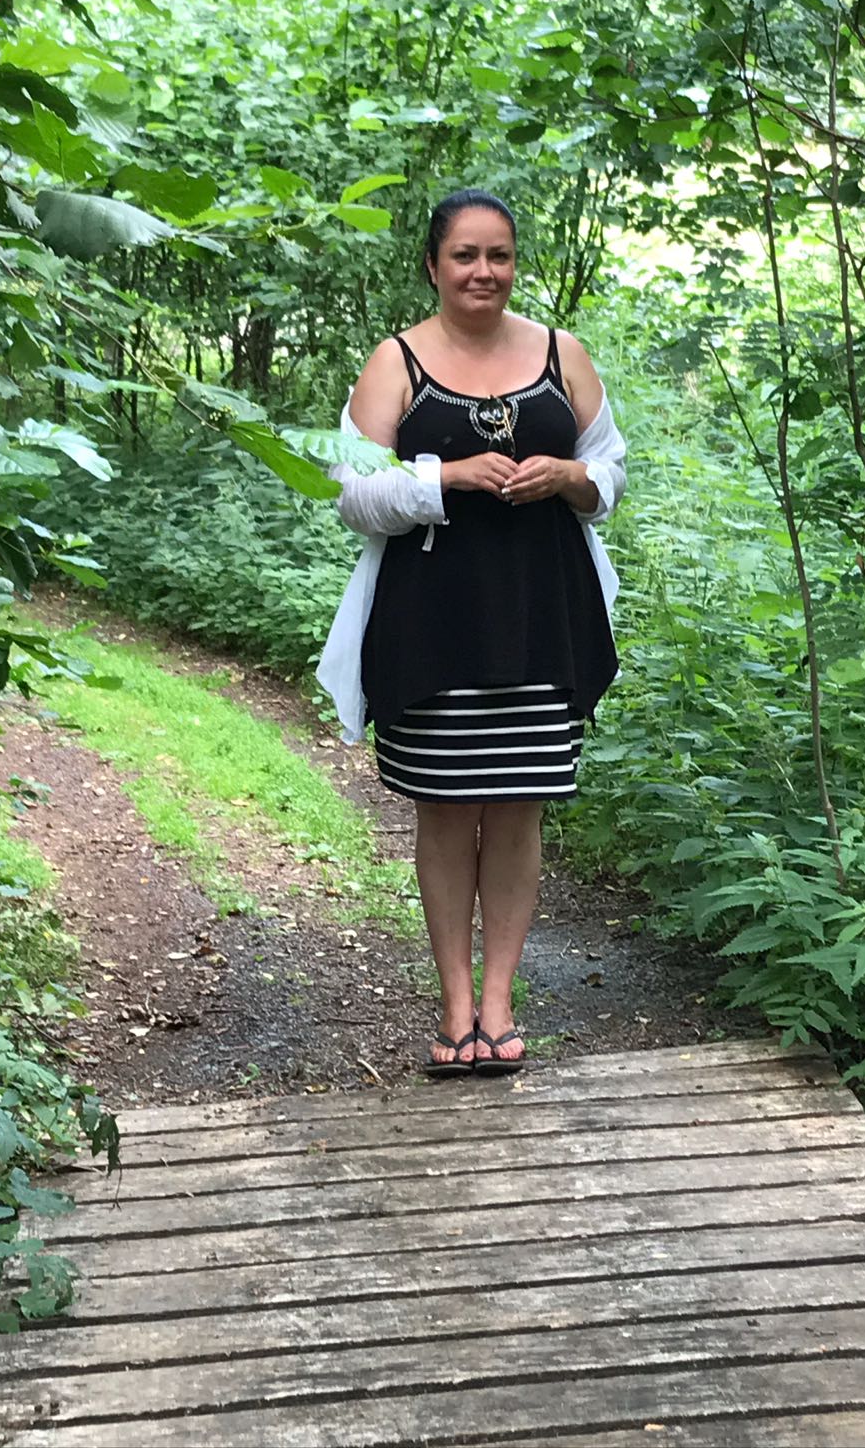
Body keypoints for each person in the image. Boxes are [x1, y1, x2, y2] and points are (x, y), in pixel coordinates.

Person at [316, 189, 626, 1077]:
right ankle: (455, 1009)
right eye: (465, 255)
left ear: (514, 262)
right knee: (448, 810)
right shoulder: (397, 361)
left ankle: (499, 1002)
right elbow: (351, 494)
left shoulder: (563, 354)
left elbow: (610, 471)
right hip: (432, 624)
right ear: (433, 265)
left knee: (520, 809)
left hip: (544, 618)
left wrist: (568, 476)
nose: (483, 271)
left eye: (499, 255)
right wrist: (443, 478)